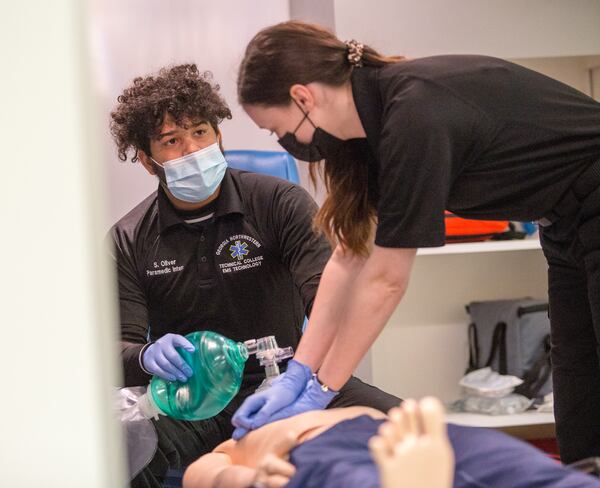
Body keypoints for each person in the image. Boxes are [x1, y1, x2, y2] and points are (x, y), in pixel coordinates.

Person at [231, 20, 600, 463]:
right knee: (578, 379)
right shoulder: (368, 130)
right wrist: (299, 373)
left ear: (302, 97)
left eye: (278, 130)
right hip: (563, 224)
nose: (285, 142)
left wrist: (323, 390)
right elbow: (347, 259)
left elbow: (385, 281)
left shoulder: (413, 112)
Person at [108, 63, 402, 487]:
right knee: (118, 448)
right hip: (195, 402)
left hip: (291, 383)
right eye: (171, 141)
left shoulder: (278, 202)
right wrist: (145, 356)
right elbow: (117, 348)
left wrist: (308, 380)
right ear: (147, 160)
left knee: (409, 430)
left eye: (200, 132)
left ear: (218, 135)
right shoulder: (128, 239)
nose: (191, 149)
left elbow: (328, 299)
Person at [186, 397, 600, 488]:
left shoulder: (341, 393)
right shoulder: (232, 442)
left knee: (533, 474)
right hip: (316, 454)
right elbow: (198, 476)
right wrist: (250, 481)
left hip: (414, 436)